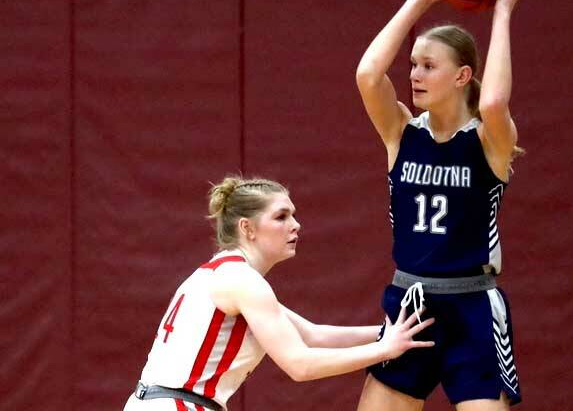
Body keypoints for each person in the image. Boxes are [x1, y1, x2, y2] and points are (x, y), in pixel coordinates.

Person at [353, 0, 525, 410]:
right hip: (410, 304)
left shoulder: (489, 140)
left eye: (429, 66)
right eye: (412, 63)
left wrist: (503, 11)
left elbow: (492, 102)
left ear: (463, 75)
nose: (414, 74)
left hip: (472, 308)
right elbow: (369, 75)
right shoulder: (402, 133)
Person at [124, 176, 435, 411]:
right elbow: (300, 364)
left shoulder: (225, 273)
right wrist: (386, 349)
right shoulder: (243, 281)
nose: (296, 225)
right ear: (247, 228)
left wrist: (390, 333)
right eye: (281, 216)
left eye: (293, 215)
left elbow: (314, 335)